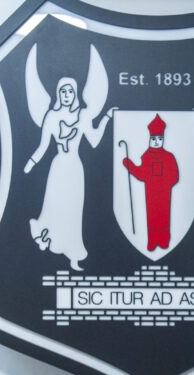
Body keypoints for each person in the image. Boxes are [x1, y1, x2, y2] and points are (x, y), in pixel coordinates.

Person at [25, 76, 116, 271]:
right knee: (53, 206)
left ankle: (73, 255)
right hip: (58, 167)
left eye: (70, 91)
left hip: (75, 168)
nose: (66, 95)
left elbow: (94, 140)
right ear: (58, 94)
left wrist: (107, 117)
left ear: (75, 93)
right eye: (63, 92)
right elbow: (43, 146)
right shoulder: (51, 116)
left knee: (73, 212)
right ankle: (45, 236)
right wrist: (31, 163)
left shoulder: (82, 115)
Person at [122, 114, 180, 251]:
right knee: (152, 216)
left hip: (165, 194)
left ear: (163, 139)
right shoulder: (147, 156)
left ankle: (164, 240)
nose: (156, 142)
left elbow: (175, 176)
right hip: (151, 193)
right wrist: (129, 165)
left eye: (159, 139)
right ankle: (153, 241)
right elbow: (141, 174)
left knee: (164, 216)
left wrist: (166, 184)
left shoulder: (169, 157)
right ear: (150, 139)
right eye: (154, 139)